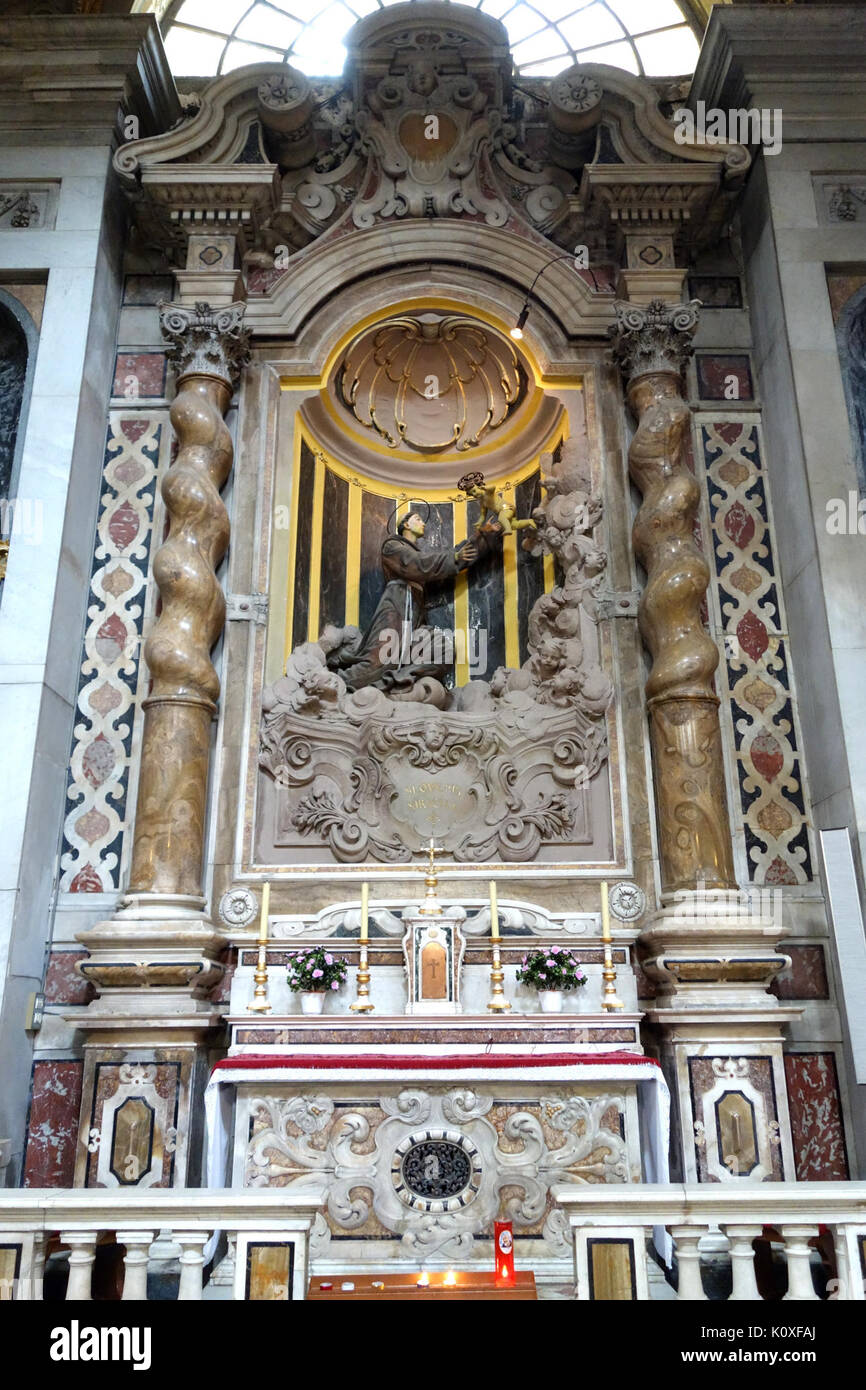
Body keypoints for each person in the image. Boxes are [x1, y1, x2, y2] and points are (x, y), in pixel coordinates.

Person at [326, 511, 481, 691]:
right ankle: (332, 684)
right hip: (396, 610)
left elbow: (449, 561)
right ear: (406, 525)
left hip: (415, 619)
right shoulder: (392, 546)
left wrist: (482, 538)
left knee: (442, 649)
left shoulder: (424, 559)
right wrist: (452, 557)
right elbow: (417, 563)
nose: (423, 523)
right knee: (378, 663)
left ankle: (398, 683)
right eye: (417, 519)